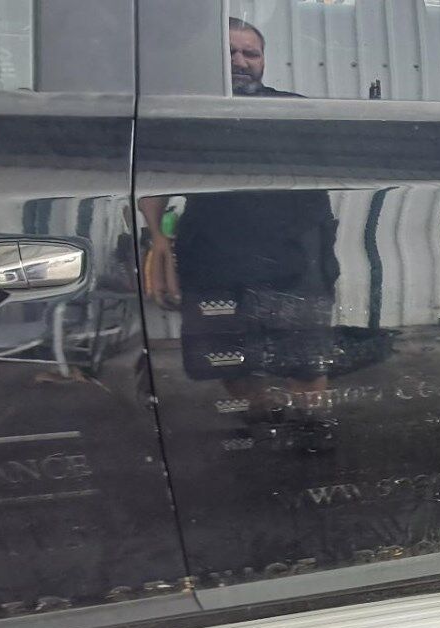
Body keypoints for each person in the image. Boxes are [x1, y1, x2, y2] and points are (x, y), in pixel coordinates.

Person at [140, 19, 340, 424]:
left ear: (263, 61)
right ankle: (263, 415)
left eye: (251, 53)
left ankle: (315, 427)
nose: (241, 61)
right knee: (226, 357)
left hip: (292, 260)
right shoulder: (185, 116)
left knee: (305, 360)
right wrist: (159, 240)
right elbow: (152, 178)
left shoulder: (296, 111)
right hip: (213, 258)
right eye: (230, 52)